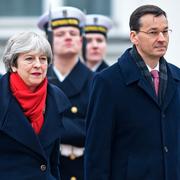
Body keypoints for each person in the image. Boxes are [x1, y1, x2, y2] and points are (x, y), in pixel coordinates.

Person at [85, 4, 180, 180]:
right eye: (153, 32)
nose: (162, 38)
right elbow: (97, 153)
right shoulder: (108, 82)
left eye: (165, 31)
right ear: (134, 36)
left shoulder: (177, 77)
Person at [0, 31, 70, 180]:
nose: (38, 65)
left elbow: (53, 161)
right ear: (13, 65)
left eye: (43, 59)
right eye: (29, 59)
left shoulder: (55, 99)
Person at [37, 6, 93, 180]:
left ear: (81, 40)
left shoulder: (98, 82)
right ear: (49, 40)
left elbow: (99, 130)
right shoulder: (37, 80)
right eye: (60, 34)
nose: (68, 37)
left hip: (84, 170)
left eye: (73, 33)